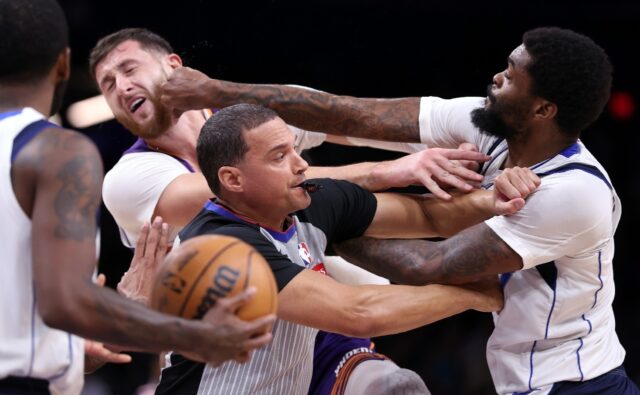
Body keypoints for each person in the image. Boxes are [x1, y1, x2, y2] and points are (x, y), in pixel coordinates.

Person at [158, 27, 639, 394]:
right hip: (524, 367)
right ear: (232, 180)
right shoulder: (483, 123)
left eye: (512, 75)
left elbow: (432, 252)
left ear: (543, 110)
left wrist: (319, 223)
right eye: (280, 156)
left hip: (576, 375)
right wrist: (214, 91)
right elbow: (347, 113)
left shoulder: (575, 191)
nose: (496, 76)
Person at [88, 27, 536, 394]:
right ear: (232, 179)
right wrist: (391, 171)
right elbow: (357, 307)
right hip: (229, 349)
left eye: (128, 69)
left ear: (173, 66)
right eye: (108, 85)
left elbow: (353, 121)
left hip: (314, 330)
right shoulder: (132, 180)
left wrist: (501, 184)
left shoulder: (265, 135)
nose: (121, 86)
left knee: (396, 389)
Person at [0, 0, 275, 395]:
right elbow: (66, 303)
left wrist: (88, 343)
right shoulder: (55, 149)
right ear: (63, 64)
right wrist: (195, 334)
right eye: (110, 80)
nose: (122, 87)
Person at [155, 103, 534, 394]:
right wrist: (469, 295)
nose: (301, 165)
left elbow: (431, 217)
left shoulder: (307, 201)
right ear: (232, 179)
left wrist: (495, 197)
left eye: (294, 150)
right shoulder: (220, 244)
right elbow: (357, 313)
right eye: (279, 157)